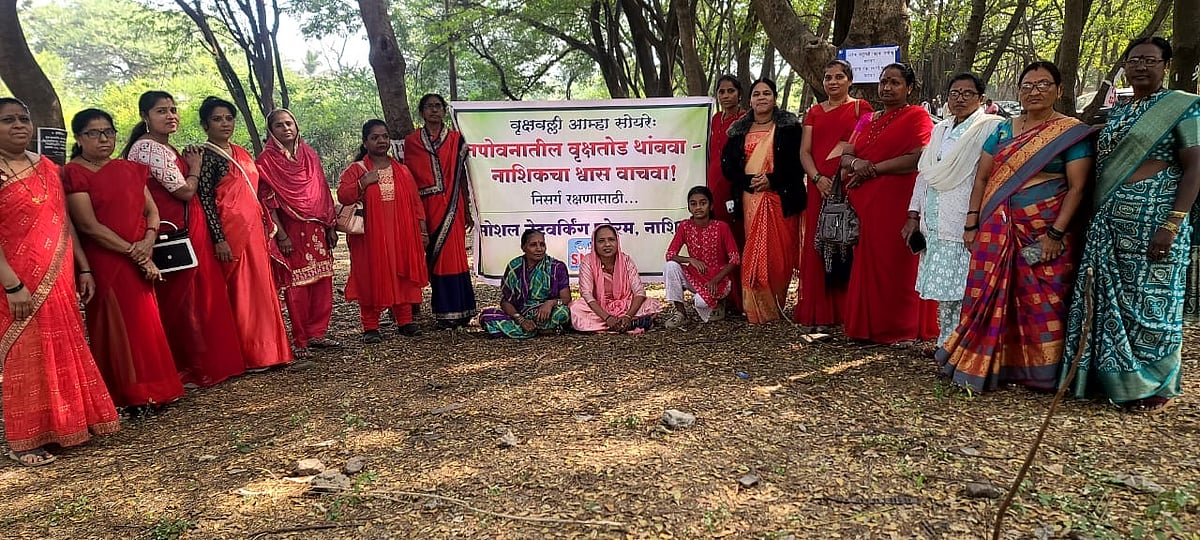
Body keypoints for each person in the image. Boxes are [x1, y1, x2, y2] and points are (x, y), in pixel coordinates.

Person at [936, 61, 1094, 393]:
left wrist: (1056, 233)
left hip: (1044, 229)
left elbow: (1077, 188)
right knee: (987, 294)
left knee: (1042, 300)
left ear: (1059, 90)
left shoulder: (1068, 133)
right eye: (1027, 86)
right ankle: (985, 364)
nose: (1034, 91)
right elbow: (983, 178)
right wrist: (972, 223)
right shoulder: (1003, 131)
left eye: (1043, 84)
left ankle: (1039, 371)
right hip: (996, 227)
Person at [1063, 37, 1200, 411]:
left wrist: (1172, 224)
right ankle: (1110, 380)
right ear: (1124, 66)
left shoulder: (1183, 106)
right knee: (1111, 302)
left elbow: (1195, 167)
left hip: (1156, 221)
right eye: (1134, 59)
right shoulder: (1119, 110)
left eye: (1150, 60)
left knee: (1152, 301)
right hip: (1110, 222)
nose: (1141, 66)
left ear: (1165, 65)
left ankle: (1154, 384)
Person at [0, 97, 119, 465]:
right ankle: (25, 440)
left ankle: (71, 422)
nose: (18, 125)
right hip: (15, 278)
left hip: (59, 271)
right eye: (7, 120)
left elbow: (64, 221)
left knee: (64, 342)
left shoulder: (48, 167)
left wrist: (84, 267)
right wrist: (11, 284)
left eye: (23, 118)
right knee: (25, 353)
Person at [63, 108, 184, 410]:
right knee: (117, 326)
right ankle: (128, 395)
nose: (103, 138)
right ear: (79, 138)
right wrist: (136, 253)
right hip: (106, 260)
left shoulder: (130, 168)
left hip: (141, 253)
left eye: (108, 132)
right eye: (93, 133)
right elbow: (88, 226)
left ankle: (158, 389)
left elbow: (152, 211)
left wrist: (148, 240)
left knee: (146, 322)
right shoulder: (73, 173)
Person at [123, 90, 245, 387]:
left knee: (201, 296)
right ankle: (191, 367)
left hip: (188, 229)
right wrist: (195, 168)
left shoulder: (165, 147)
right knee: (185, 300)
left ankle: (208, 363)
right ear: (145, 116)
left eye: (173, 109)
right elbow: (185, 191)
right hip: (172, 233)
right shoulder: (146, 148)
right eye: (161, 111)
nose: (170, 116)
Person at [839, 63, 939, 344]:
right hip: (864, 203)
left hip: (898, 201)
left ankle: (901, 328)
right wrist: (857, 164)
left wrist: (872, 169)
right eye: (883, 81)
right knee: (867, 262)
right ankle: (866, 327)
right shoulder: (865, 119)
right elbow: (845, 155)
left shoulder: (917, 116)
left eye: (895, 82)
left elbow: (917, 157)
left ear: (909, 88)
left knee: (897, 263)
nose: (887, 87)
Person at [902, 74, 1003, 349]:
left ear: (981, 98)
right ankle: (946, 344)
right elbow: (925, 174)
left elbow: (988, 177)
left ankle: (964, 348)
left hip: (964, 221)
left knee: (965, 289)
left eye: (968, 93)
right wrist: (913, 213)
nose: (960, 98)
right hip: (934, 220)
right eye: (954, 93)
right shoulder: (941, 129)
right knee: (946, 292)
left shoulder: (991, 128)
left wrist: (975, 219)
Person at [195, 96, 293, 370]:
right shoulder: (206, 157)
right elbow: (205, 201)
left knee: (262, 290)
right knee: (242, 292)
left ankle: (274, 352)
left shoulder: (241, 152)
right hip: (231, 233)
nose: (224, 124)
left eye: (229, 118)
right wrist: (219, 239)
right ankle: (251, 355)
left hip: (255, 231)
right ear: (205, 124)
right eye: (217, 119)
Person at [795, 60, 873, 330]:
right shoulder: (814, 112)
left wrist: (844, 173)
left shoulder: (862, 108)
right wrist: (817, 178)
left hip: (849, 184)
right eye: (828, 77)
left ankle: (849, 310)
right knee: (820, 243)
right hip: (819, 186)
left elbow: (862, 144)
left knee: (848, 241)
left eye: (839, 77)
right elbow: (804, 152)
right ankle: (821, 311)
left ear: (850, 80)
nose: (833, 82)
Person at [720, 78, 805, 324]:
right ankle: (757, 309)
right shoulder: (738, 131)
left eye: (766, 93)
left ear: (775, 98)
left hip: (781, 197)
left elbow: (797, 164)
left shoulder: (790, 128)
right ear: (750, 101)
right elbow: (728, 165)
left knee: (779, 257)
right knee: (755, 253)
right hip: (751, 197)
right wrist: (748, 181)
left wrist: (772, 180)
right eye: (756, 94)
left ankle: (776, 304)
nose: (761, 98)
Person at [256, 109, 339, 353]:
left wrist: (330, 225)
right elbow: (268, 202)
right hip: (290, 229)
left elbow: (322, 191)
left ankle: (317, 333)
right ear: (271, 131)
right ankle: (300, 339)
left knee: (322, 280)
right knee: (297, 285)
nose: (286, 128)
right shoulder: (266, 161)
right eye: (279, 125)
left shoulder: (309, 154)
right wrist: (281, 235)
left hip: (317, 228)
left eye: (289, 123)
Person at [339, 120, 429, 343]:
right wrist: (362, 183)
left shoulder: (402, 170)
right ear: (365, 142)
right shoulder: (357, 170)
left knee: (402, 271)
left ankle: (405, 321)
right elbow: (343, 196)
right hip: (369, 237)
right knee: (369, 274)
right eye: (375, 137)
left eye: (385, 136)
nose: (381, 141)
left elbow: (415, 203)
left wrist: (422, 231)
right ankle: (370, 326)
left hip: (401, 233)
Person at [404, 93, 477, 329]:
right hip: (425, 207)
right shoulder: (412, 142)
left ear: (444, 111)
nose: (434, 110)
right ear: (422, 112)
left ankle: (461, 310)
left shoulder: (456, 139)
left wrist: (467, 207)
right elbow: (410, 179)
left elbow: (462, 175)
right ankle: (443, 311)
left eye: (438, 106)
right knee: (434, 258)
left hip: (453, 205)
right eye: (429, 106)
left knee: (453, 257)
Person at [663, 186, 741, 328]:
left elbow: (735, 259)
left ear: (710, 206)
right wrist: (690, 260)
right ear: (689, 207)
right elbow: (670, 255)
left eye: (703, 203)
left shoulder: (722, 227)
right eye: (693, 204)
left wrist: (716, 280)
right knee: (670, 266)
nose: (698, 207)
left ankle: (719, 302)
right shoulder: (685, 226)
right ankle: (681, 313)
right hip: (694, 276)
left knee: (700, 303)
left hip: (718, 280)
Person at [479, 229, 571, 338]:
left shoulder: (557, 267)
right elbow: (506, 302)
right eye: (533, 245)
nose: (539, 249)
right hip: (521, 313)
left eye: (542, 244)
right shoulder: (515, 267)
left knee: (562, 312)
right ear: (523, 247)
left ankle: (531, 330)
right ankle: (544, 330)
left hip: (548, 314)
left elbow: (566, 298)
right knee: (487, 316)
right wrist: (521, 320)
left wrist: (550, 303)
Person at [569, 225, 662, 333]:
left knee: (650, 304)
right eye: (601, 241)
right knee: (576, 308)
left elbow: (639, 292)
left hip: (624, 305)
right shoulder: (588, 261)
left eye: (611, 240)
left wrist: (628, 316)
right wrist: (607, 317)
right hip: (599, 307)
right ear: (594, 244)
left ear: (617, 242)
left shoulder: (626, 260)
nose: (607, 244)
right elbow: (587, 294)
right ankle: (632, 323)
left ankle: (621, 323)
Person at [708, 75, 747, 313]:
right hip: (714, 187)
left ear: (739, 94)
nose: (726, 96)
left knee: (737, 239)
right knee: (720, 242)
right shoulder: (715, 120)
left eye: (730, 91)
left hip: (734, 186)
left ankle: (743, 299)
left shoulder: (745, 119)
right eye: (721, 92)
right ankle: (725, 296)